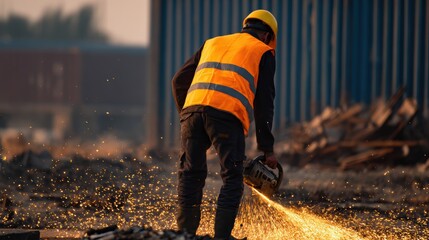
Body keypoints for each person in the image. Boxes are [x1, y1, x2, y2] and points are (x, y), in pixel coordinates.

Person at [171, 9, 279, 240]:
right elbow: (264, 104)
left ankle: (184, 234)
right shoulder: (263, 52)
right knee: (232, 176)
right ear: (268, 36)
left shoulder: (213, 42)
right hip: (227, 115)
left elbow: (179, 80)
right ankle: (222, 237)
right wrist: (267, 149)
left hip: (192, 111)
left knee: (190, 174)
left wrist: (187, 116)